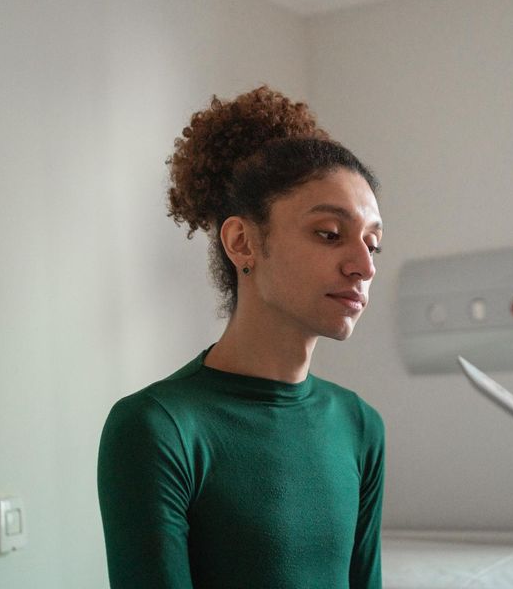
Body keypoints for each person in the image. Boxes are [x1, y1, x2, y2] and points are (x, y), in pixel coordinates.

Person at [97, 86, 386, 588]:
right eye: (328, 233)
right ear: (242, 241)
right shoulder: (156, 429)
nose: (364, 266)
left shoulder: (360, 427)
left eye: (373, 242)